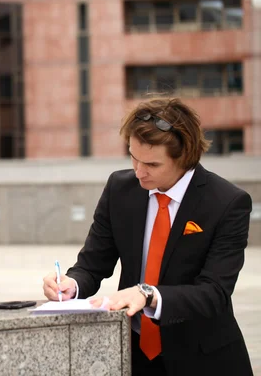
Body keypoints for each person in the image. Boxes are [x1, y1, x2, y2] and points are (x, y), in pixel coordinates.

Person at [42, 98, 253, 375]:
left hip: (204, 359)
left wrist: (148, 294)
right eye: (133, 157)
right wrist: (73, 284)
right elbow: (93, 264)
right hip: (134, 355)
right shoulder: (120, 189)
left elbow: (214, 292)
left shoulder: (227, 202)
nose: (139, 171)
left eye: (152, 164)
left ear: (185, 157)